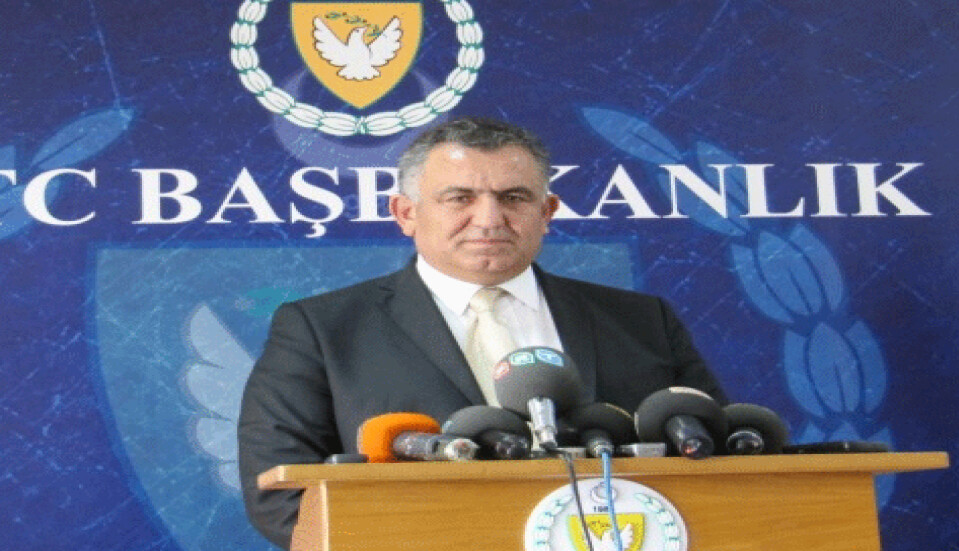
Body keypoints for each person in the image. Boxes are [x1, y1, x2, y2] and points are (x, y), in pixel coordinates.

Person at [237, 117, 727, 548]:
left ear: (547, 212)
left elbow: (719, 458)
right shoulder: (322, 329)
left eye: (514, 197)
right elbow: (282, 494)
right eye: (460, 198)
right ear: (406, 213)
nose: (490, 219)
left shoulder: (641, 320)